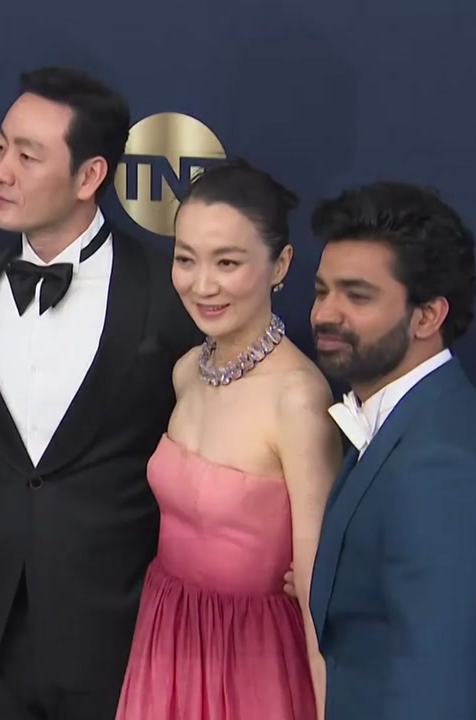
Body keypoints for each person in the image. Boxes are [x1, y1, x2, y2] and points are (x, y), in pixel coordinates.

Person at [0, 66, 203, 720]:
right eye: (0, 147)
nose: (1, 171)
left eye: (28, 156)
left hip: (116, 634)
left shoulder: (166, 295)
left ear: (90, 176)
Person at [113, 158, 341, 720]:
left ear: (280, 264)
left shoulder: (299, 399)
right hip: (166, 639)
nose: (202, 284)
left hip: (252, 664)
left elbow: (321, 594)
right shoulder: (186, 371)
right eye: (185, 259)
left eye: (228, 262)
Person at [307, 181, 476, 720]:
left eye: (357, 296)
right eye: (322, 291)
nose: (325, 314)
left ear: (428, 316)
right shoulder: (412, 420)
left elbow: (436, 684)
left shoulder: (442, 465)